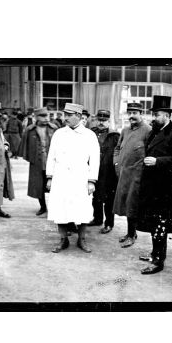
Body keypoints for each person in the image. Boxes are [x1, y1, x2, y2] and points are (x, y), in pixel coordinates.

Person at [136, 96, 172, 275]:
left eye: (156, 114)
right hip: (152, 186)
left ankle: (158, 261)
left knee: (160, 224)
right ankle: (154, 253)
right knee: (154, 223)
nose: (153, 118)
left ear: (166, 115)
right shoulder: (155, 131)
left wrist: (158, 161)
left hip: (164, 189)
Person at [46, 103, 100, 253]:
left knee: (82, 208)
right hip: (61, 176)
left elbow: (95, 160)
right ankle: (63, 239)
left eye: (69, 115)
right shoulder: (59, 134)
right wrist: (50, 177)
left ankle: (81, 239)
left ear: (79, 116)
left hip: (80, 177)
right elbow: (51, 156)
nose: (66, 118)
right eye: (65, 115)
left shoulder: (89, 135)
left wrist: (91, 180)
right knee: (60, 208)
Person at [112, 103, 152, 248]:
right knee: (125, 205)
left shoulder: (148, 131)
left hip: (137, 176)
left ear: (142, 113)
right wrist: (117, 164)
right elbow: (117, 149)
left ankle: (132, 234)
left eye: (135, 112)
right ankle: (130, 233)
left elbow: (150, 153)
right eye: (129, 113)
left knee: (132, 206)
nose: (131, 116)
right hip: (123, 175)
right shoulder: (125, 130)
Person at [19, 106, 58, 216]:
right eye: (43, 116)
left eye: (47, 115)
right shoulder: (29, 130)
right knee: (38, 185)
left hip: (52, 162)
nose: (46, 118)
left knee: (54, 185)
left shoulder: (54, 128)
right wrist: (30, 158)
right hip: (37, 162)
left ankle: (55, 208)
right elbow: (24, 146)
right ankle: (43, 207)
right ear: (35, 117)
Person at [88, 109, 120, 233]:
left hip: (109, 173)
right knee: (96, 197)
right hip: (94, 171)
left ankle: (109, 223)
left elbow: (118, 153)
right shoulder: (90, 133)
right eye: (99, 120)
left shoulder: (115, 135)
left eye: (104, 120)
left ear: (109, 121)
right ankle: (97, 219)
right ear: (96, 120)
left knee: (109, 199)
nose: (101, 122)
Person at [0, 111, 14, 218]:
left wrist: (6, 145)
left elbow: (3, 141)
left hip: (1, 161)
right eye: (5, 122)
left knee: (0, 183)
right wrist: (3, 148)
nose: (6, 124)